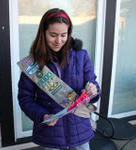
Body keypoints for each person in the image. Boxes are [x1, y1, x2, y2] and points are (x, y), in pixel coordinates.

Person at [18, 8, 100, 150]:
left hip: (79, 127)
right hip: (51, 133)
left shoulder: (81, 56)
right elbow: (25, 98)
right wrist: (42, 115)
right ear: (43, 33)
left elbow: (93, 85)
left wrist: (93, 90)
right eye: (53, 35)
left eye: (64, 35)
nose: (59, 41)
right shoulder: (33, 64)